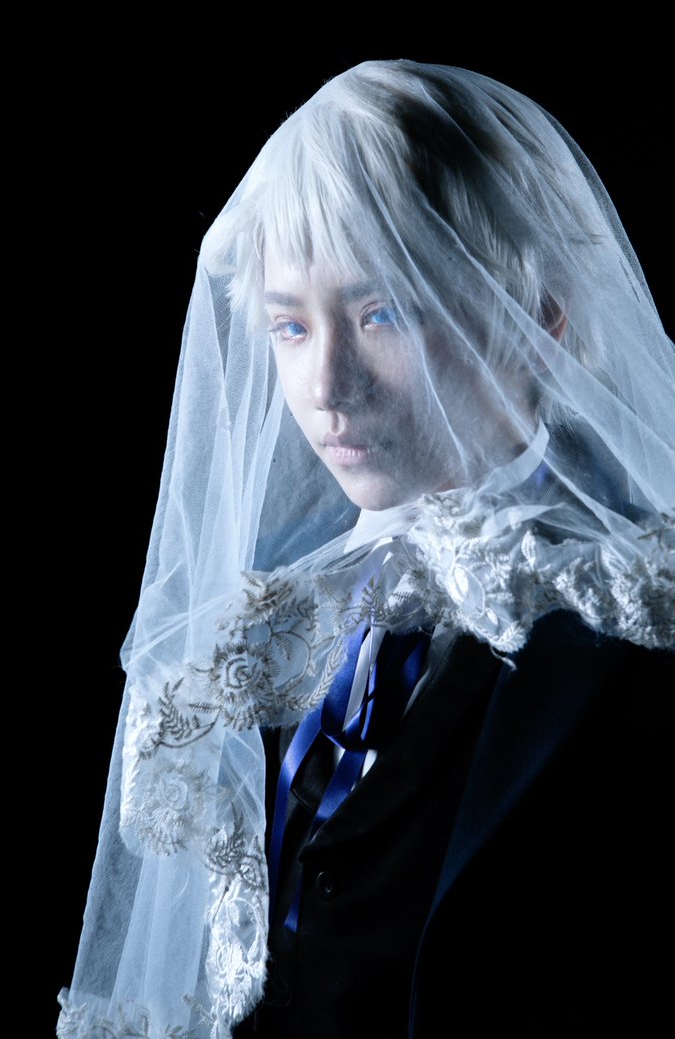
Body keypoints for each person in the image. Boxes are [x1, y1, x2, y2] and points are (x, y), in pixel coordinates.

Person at [58, 61, 674, 1039]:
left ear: (539, 323)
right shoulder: (270, 622)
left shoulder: (636, 614)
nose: (326, 386)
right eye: (289, 326)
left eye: (381, 312)